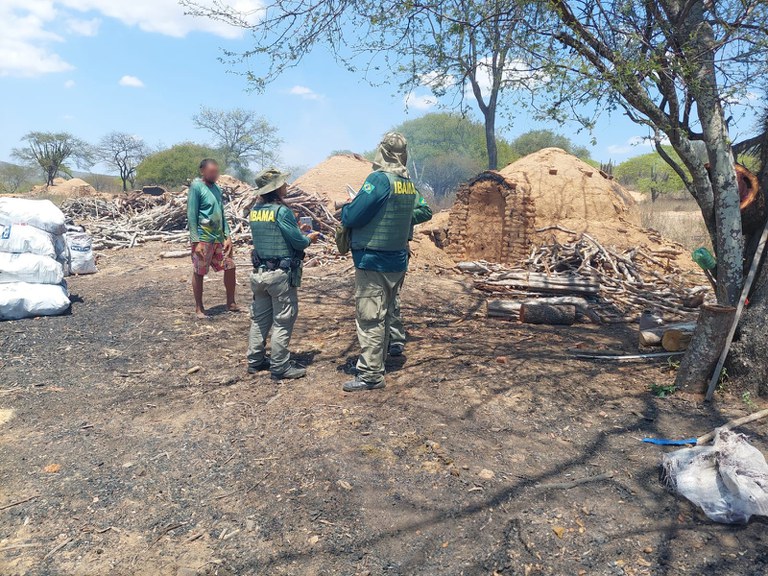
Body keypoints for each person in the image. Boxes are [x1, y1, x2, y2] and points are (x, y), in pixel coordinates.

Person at [341, 132, 432, 392]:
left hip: (373, 260)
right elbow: (421, 211)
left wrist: (347, 207)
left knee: (370, 318)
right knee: (387, 312)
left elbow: (352, 216)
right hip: (397, 260)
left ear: (381, 151)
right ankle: (378, 361)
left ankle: (370, 375)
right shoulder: (406, 183)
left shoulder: (378, 180)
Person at [247, 168, 321, 380]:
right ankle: (280, 366)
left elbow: (273, 234)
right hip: (280, 276)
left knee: (260, 319)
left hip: (259, 274)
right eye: (283, 183)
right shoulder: (282, 211)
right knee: (283, 319)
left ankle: (255, 360)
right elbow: (297, 242)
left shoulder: (256, 210)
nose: (286, 186)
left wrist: (297, 228)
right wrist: (309, 238)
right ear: (276, 187)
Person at [187, 159, 238, 319]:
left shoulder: (216, 188)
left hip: (219, 237)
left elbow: (222, 213)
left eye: (216, 172)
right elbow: (191, 214)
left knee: (230, 266)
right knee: (199, 271)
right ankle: (199, 307)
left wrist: (228, 235)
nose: (215, 175)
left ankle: (231, 302)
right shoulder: (196, 187)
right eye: (211, 172)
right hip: (203, 237)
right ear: (203, 171)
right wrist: (195, 242)